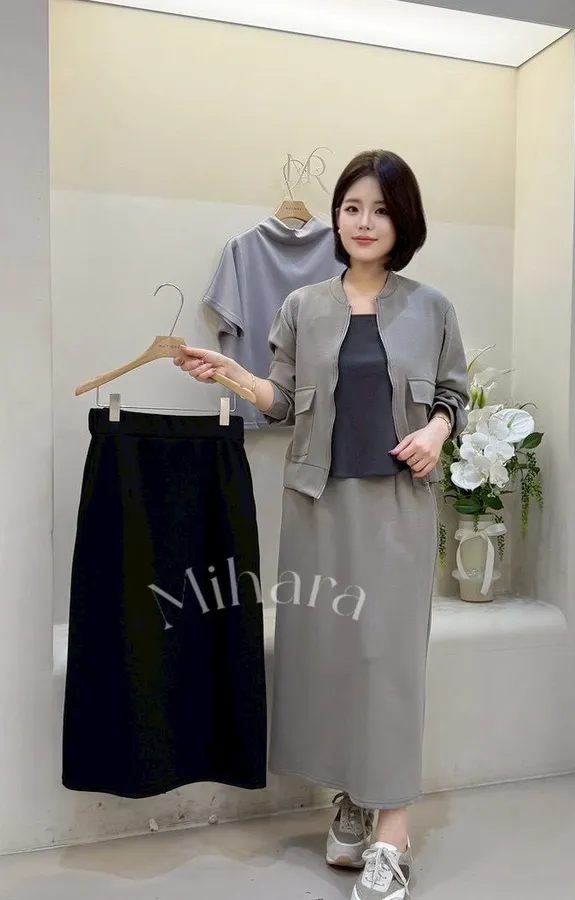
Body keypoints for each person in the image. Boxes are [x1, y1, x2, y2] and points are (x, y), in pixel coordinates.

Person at [174, 150, 469, 900]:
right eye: (351, 207)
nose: (363, 222)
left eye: (380, 209)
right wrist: (229, 373)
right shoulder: (303, 306)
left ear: (403, 221)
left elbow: (454, 396)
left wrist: (436, 431)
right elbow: (280, 400)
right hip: (318, 504)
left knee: (388, 661)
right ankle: (352, 799)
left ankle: (392, 829)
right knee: (334, 656)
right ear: (336, 218)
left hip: (397, 508)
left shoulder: (432, 308)